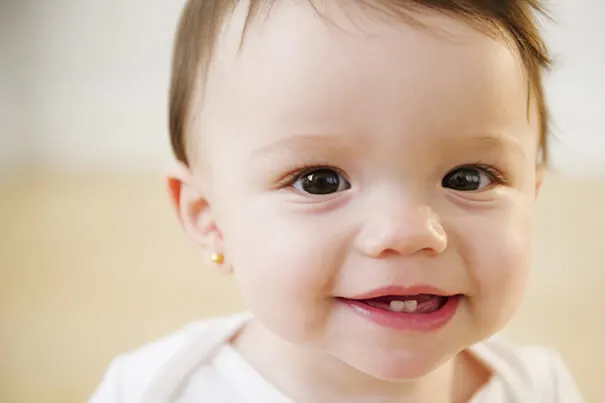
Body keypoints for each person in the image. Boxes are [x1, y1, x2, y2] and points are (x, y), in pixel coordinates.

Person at [90, 1, 583, 402]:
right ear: (209, 219)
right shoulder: (152, 389)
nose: (407, 231)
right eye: (320, 181)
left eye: (469, 178)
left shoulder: (542, 389)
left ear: (530, 199)